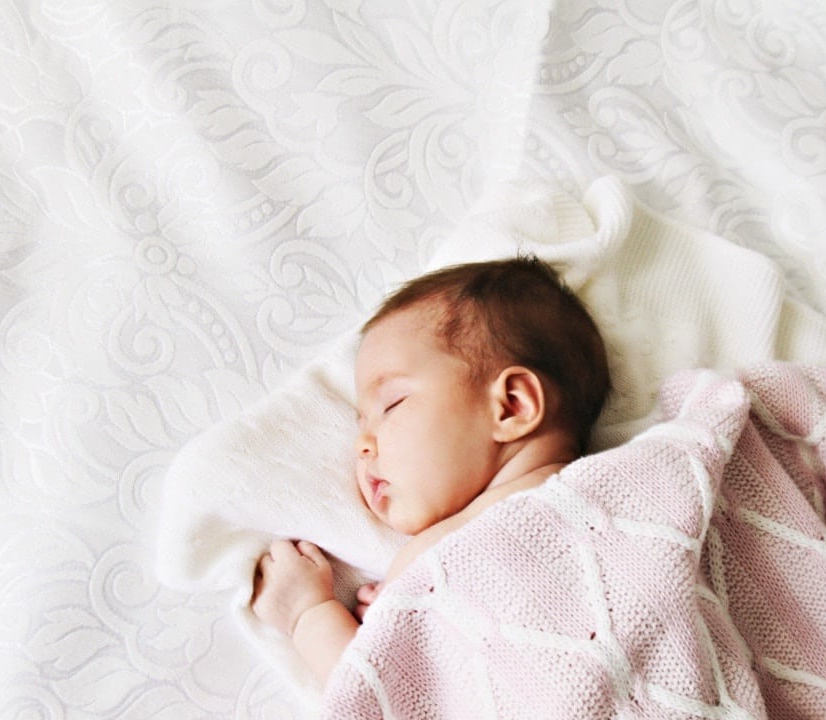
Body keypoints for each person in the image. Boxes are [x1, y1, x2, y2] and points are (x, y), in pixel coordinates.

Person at [248, 256, 611, 685]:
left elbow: (384, 700)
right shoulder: (610, 491)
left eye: (391, 405)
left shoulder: (436, 554)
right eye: (361, 422)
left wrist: (308, 615)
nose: (363, 444)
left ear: (512, 405)